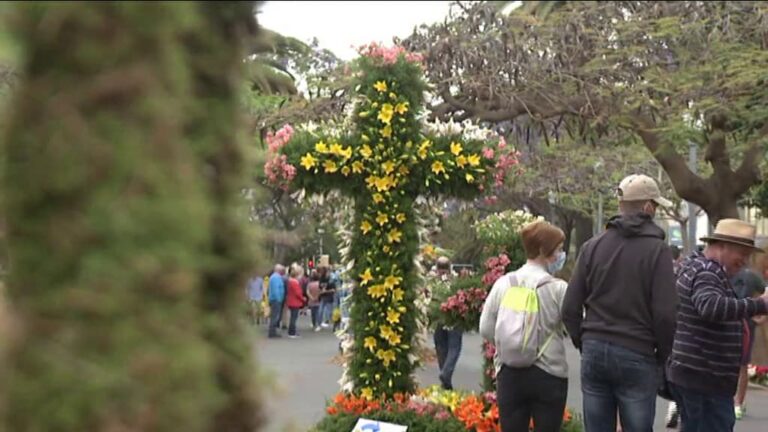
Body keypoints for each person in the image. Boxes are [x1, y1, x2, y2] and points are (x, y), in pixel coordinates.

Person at [562, 173, 678, 432]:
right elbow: (665, 314)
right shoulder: (657, 251)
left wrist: (584, 340)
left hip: (594, 347)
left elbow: (569, 308)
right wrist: (662, 354)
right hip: (637, 349)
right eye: (656, 205)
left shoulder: (592, 246)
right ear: (648, 207)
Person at [667, 219, 768, 432]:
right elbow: (711, 307)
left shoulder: (695, 266)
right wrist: (759, 304)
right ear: (722, 246)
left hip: (698, 375)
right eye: (742, 253)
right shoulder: (706, 272)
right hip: (704, 378)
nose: (745, 261)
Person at [480, 221, 570, 432]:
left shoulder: (504, 283)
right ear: (544, 250)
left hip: (510, 372)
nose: (561, 255)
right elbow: (574, 325)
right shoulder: (558, 289)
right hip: (550, 373)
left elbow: (485, 327)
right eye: (558, 250)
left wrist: (510, 342)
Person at [731, 266, 766, 420]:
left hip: (745, 324)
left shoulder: (751, 275)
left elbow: (766, 290)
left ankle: (738, 403)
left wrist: (762, 316)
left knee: (742, 364)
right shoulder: (721, 272)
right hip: (725, 321)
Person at [432, 256, 463, 390]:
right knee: (453, 348)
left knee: (442, 348)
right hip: (453, 318)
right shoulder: (455, 280)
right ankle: (445, 375)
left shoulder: (433, 281)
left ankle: (445, 377)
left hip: (439, 318)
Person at [286, 265, 305, 338]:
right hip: (295, 302)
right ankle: (292, 332)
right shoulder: (294, 283)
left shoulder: (291, 281)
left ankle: (292, 331)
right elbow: (298, 293)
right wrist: (303, 299)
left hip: (292, 301)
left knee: (293, 317)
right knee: (294, 318)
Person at [267, 264, 286, 338]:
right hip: (276, 300)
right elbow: (276, 289)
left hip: (275, 299)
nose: (282, 271)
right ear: (278, 270)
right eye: (281, 270)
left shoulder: (275, 277)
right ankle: (272, 332)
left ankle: (273, 331)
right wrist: (279, 298)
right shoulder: (275, 278)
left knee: (275, 316)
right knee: (275, 316)